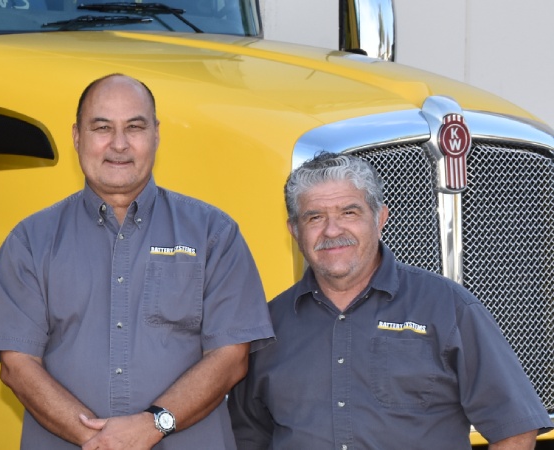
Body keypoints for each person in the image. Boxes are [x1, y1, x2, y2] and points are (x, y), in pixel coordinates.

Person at [0, 73, 275, 450]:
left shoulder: (214, 234)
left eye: (135, 127)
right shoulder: (30, 242)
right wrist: (101, 440)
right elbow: (18, 365)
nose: (119, 144)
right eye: (102, 128)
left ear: (156, 135)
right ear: (77, 137)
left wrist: (154, 424)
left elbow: (231, 357)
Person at [228, 152, 553, 449]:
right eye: (314, 218)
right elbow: (247, 438)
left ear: (380, 218)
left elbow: (514, 428)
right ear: (294, 231)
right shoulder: (269, 326)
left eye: (349, 212)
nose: (332, 230)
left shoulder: (448, 307)